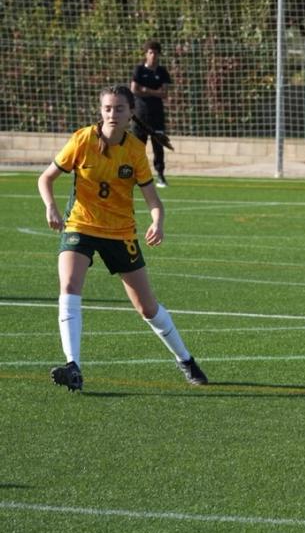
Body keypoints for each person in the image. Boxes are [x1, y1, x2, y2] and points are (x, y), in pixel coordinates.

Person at [37, 85, 207, 391]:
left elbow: (154, 201)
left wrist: (158, 222)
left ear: (131, 113)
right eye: (107, 109)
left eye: (118, 109)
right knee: (69, 285)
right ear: (100, 112)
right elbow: (45, 178)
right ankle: (73, 366)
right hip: (81, 226)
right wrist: (50, 206)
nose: (112, 114)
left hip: (120, 233)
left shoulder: (134, 151)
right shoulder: (82, 139)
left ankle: (185, 359)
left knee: (147, 308)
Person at [130, 40, 173, 187]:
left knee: (158, 145)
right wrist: (154, 92)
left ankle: (160, 175)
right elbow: (134, 89)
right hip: (140, 115)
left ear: (159, 54)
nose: (153, 55)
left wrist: (146, 90)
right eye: (150, 52)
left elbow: (164, 93)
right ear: (146, 54)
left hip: (157, 115)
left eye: (155, 52)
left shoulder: (162, 72)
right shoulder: (139, 70)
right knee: (137, 146)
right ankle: (134, 175)